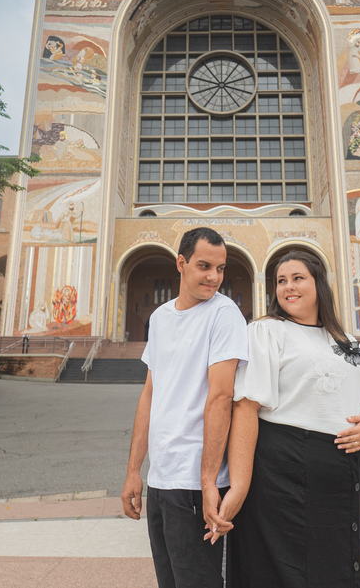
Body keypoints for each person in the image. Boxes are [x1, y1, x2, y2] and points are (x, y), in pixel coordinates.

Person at [215, 250, 360, 587]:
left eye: (297, 278)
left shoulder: (346, 341)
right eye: (281, 281)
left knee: (337, 566)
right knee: (280, 569)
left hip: (341, 474)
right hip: (281, 471)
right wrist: (240, 485)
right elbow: (246, 408)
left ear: (318, 284)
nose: (288, 287)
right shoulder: (267, 331)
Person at [122, 227, 248, 588]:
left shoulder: (224, 315)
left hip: (195, 483)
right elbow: (150, 394)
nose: (214, 277)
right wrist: (134, 470)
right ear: (181, 263)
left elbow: (222, 398)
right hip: (161, 479)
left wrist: (208, 482)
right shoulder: (160, 318)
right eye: (205, 266)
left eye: (221, 268)